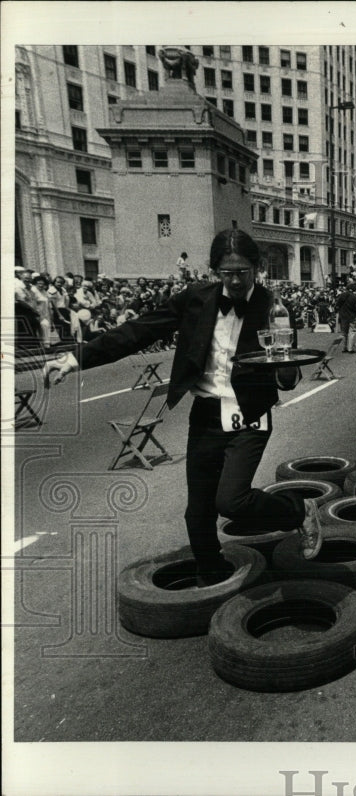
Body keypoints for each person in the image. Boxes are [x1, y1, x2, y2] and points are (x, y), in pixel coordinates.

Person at [44, 229, 324, 585]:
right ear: (214, 271)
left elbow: (287, 377)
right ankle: (211, 578)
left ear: (257, 268)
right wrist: (75, 358)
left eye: (243, 272)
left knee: (232, 501)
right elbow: (137, 332)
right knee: (198, 514)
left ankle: (299, 509)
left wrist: (286, 370)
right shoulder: (194, 299)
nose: (235, 281)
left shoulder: (274, 307)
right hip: (206, 414)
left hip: (249, 415)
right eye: (227, 273)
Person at [334, 281, 356, 353]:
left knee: (344, 333)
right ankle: (350, 348)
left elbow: (337, 305)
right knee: (352, 332)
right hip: (352, 317)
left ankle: (344, 348)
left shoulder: (342, 295)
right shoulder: (355, 297)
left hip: (343, 316)